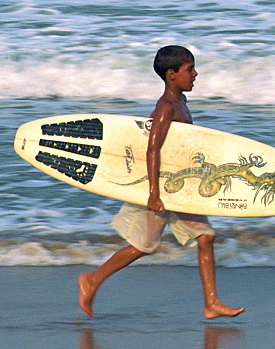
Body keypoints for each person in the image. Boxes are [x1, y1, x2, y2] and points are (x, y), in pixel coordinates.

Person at [78, 45, 245, 320]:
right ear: (171, 75)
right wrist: (154, 194)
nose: (195, 74)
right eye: (189, 69)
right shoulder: (166, 107)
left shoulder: (181, 103)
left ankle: (211, 303)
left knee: (205, 237)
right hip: (162, 189)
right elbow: (151, 149)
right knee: (145, 245)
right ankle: (92, 279)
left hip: (178, 185)